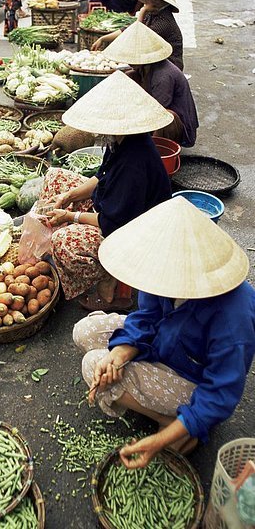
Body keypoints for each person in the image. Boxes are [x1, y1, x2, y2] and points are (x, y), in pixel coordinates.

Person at [73, 196, 255, 468]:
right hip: (165, 345)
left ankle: (173, 425)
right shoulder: (160, 271)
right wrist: (120, 354)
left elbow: (220, 395)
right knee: (85, 331)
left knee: (92, 365)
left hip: (193, 381)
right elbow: (147, 316)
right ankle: (165, 412)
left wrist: (161, 441)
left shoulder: (232, 316)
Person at [40, 70, 172, 311]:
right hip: (117, 211)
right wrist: (68, 196)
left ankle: (110, 282)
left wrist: (70, 217)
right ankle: (58, 229)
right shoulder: (123, 141)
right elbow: (101, 178)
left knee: (64, 241)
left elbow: (112, 222)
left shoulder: (134, 163)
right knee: (55, 176)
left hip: (136, 234)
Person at [103, 21, 198, 146]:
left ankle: (154, 148)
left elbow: (156, 111)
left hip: (180, 129)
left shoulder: (163, 75)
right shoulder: (146, 67)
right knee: (128, 77)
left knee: (166, 117)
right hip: (156, 109)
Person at [93, 0, 184, 71]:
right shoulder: (152, 13)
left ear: (157, 1)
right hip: (154, 59)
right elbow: (129, 29)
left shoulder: (164, 21)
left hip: (168, 65)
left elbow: (137, 36)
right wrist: (103, 38)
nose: (145, 1)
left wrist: (142, 11)